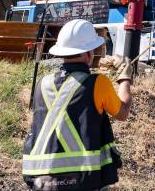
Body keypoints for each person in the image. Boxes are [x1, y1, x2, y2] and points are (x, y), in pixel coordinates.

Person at [22, 19, 133, 190]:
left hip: (42, 181)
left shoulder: (42, 84)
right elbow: (123, 112)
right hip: (84, 180)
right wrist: (124, 77)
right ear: (89, 53)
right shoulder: (97, 83)